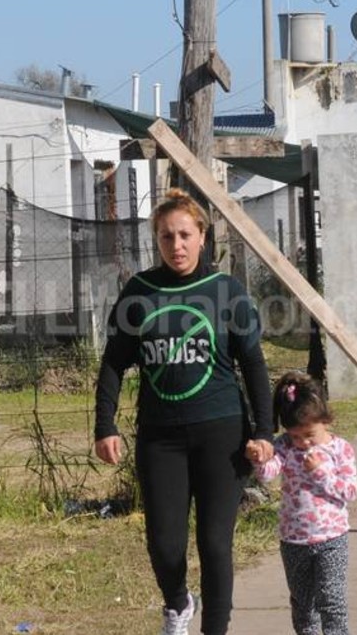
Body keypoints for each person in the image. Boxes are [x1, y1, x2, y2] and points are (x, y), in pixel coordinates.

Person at [94, 187, 275, 635]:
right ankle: (178, 603)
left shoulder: (226, 291)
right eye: (166, 237)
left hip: (222, 433)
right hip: (161, 437)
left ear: (202, 237)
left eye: (184, 235)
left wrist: (265, 432)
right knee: (164, 545)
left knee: (215, 544)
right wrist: (105, 424)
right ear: (156, 241)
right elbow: (114, 362)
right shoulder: (140, 292)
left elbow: (253, 364)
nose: (176, 245)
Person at [246, 371, 357, 635]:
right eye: (296, 436)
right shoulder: (286, 446)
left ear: (326, 420)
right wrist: (258, 458)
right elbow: (267, 474)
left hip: (332, 538)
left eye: (310, 434)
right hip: (294, 540)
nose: (303, 443)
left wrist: (321, 472)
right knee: (303, 606)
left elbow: (350, 491)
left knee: (332, 601)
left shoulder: (340, 449)